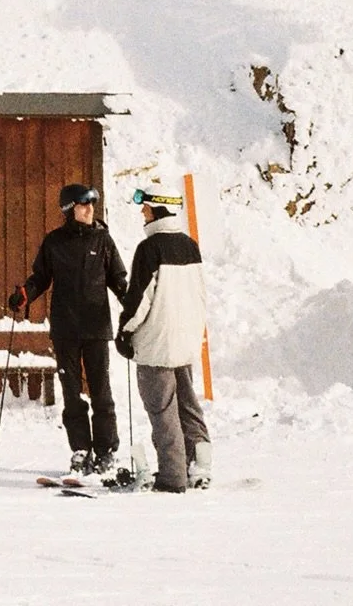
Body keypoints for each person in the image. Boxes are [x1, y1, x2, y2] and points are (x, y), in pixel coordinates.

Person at [9, 182, 127, 474]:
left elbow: (119, 280)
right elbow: (41, 277)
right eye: (83, 205)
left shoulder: (103, 241)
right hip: (65, 330)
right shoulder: (54, 242)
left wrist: (133, 303)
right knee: (72, 393)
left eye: (92, 205)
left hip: (97, 328)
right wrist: (25, 294)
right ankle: (80, 450)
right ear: (69, 209)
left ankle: (106, 451)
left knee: (101, 392)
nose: (89, 210)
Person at [114, 191, 211, 494]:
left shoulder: (149, 249)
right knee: (188, 406)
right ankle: (200, 468)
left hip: (156, 344)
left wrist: (125, 333)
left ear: (158, 211)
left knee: (162, 409)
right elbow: (200, 293)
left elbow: (140, 299)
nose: (142, 215)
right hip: (185, 340)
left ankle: (172, 477)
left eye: (145, 210)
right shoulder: (190, 246)